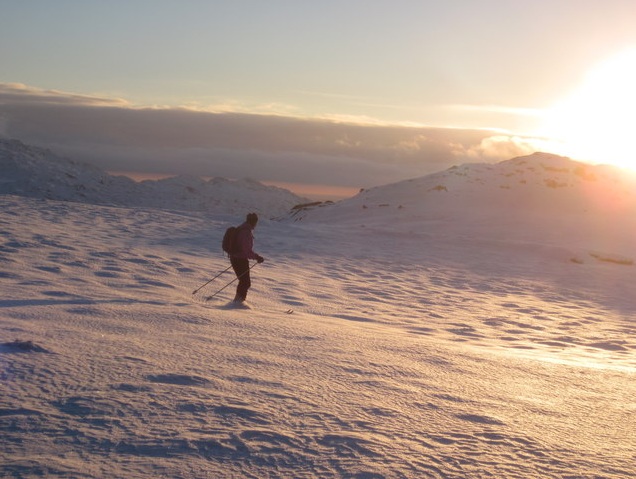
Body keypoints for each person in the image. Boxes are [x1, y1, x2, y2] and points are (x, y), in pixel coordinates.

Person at [229, 213, 264, 304]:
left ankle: (238, 301)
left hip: (236, 258)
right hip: (240, 259)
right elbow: (246, 251)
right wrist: (257, 257)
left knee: (244, 281)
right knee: (245, 282)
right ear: (253, 221)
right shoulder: (245, 232)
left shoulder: (242, 229)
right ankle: (238, 302)